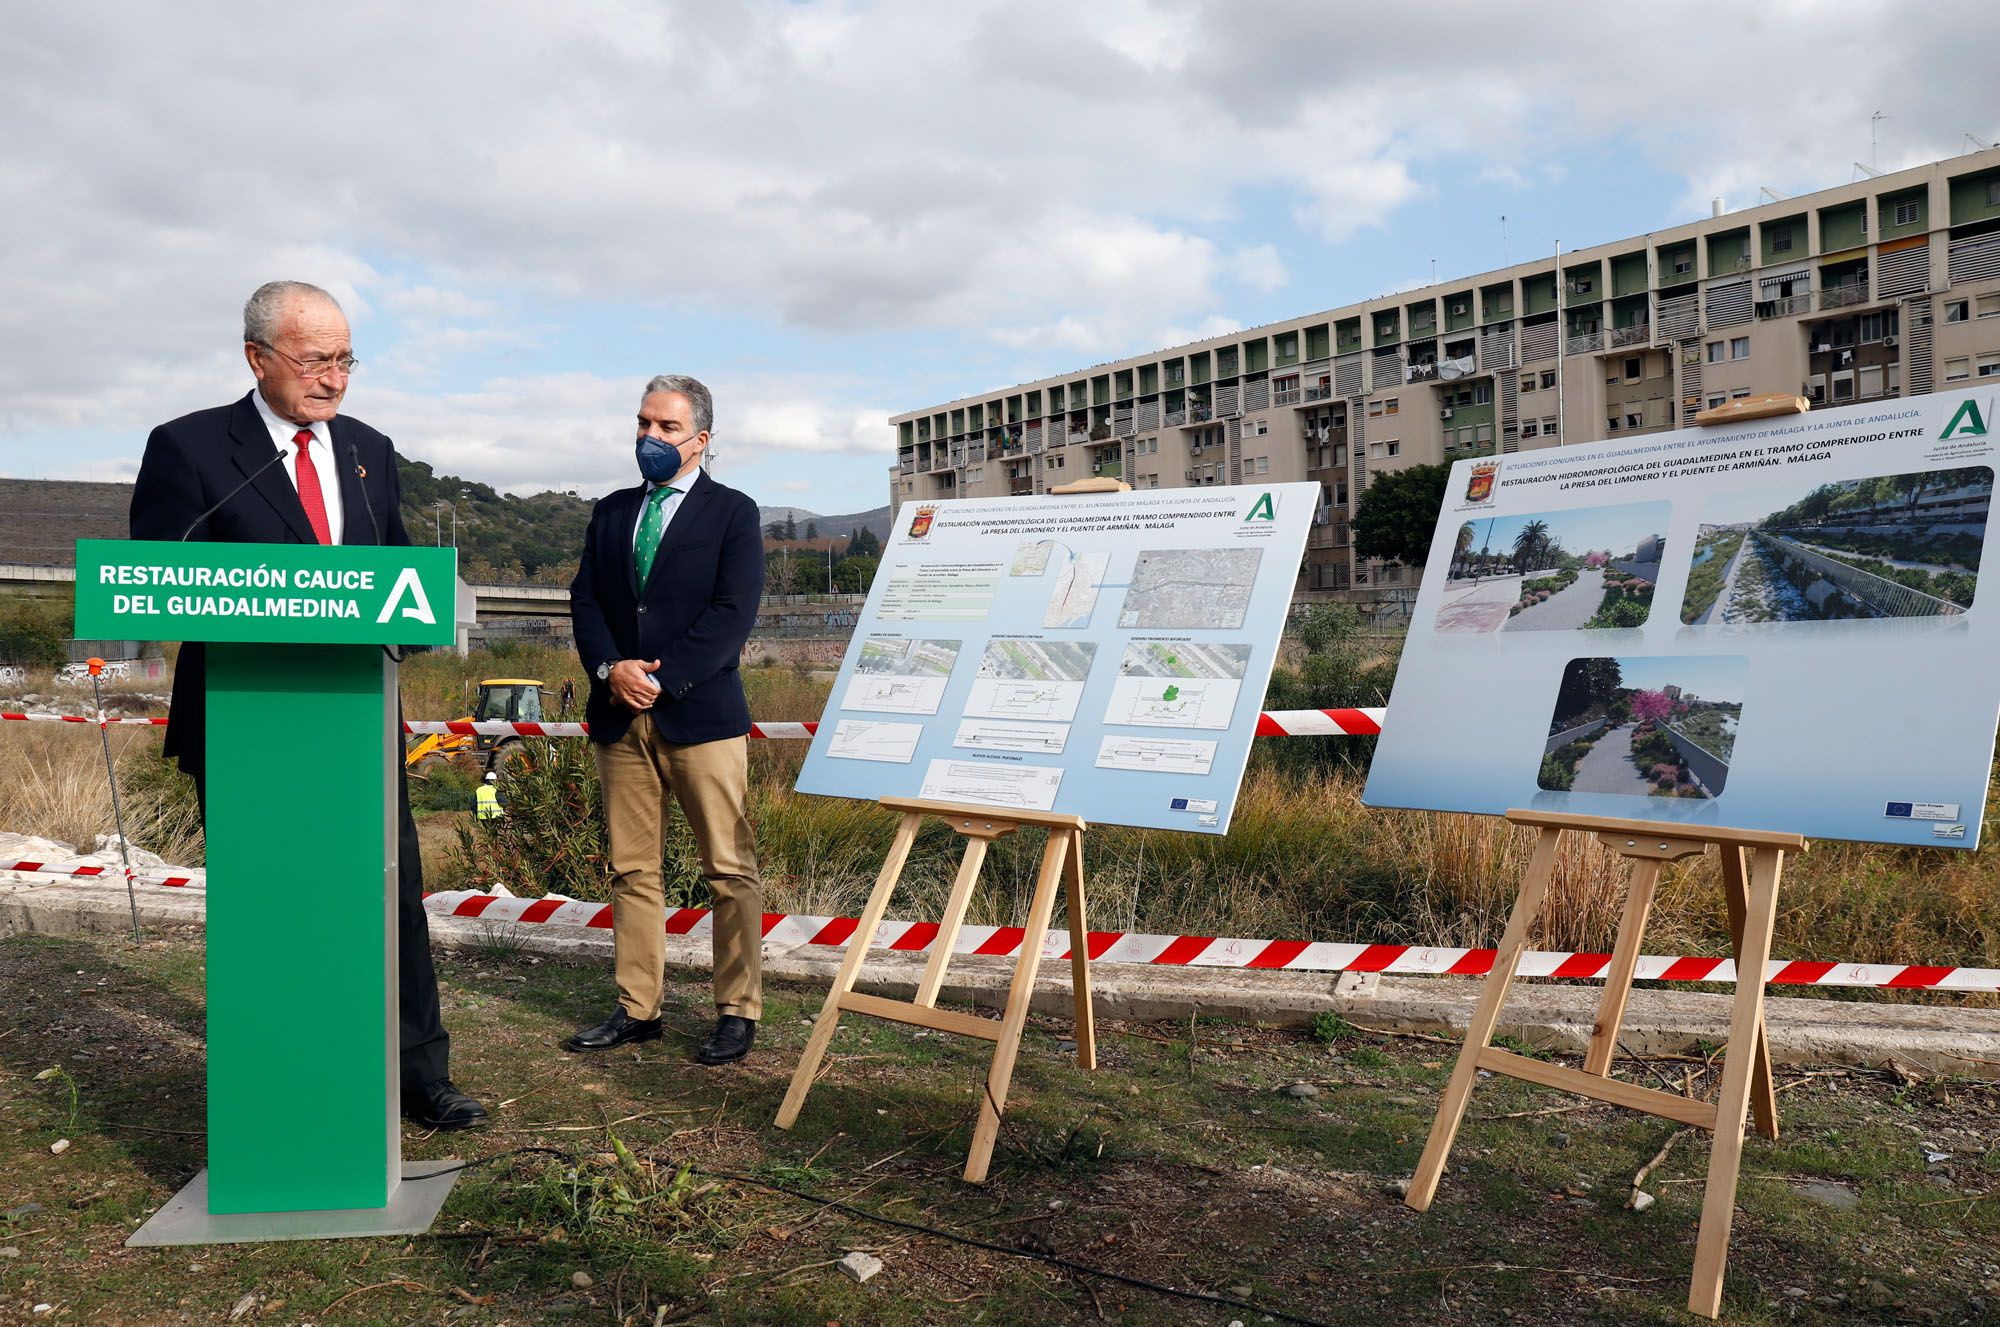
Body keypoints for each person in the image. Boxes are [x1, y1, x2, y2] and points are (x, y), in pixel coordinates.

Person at [129, 280, 487, 1131]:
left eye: (346, 359)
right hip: (247, 721)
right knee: (272, 903)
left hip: (356, 720)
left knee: (392, 898)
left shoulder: (370, 449)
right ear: (257, 358)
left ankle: (417, 1074)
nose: (335, 378)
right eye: (316, 359)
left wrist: (417, 614)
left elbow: (401, 577)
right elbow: (158, 577)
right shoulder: (188, 448)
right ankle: (281, 1072)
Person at [566, 375, 766, 1065]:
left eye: (666, 427)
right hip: (619, 718)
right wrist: (609, 669)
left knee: (729, 869)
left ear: (700, 439)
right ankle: (637, 1007)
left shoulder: (734, 513)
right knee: (631, 869)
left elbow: (732, 615)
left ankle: (737, 1010)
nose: (649, 437)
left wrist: (660, 675)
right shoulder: (611, 511)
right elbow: (585, 601)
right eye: (644, 423)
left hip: (701, 716)